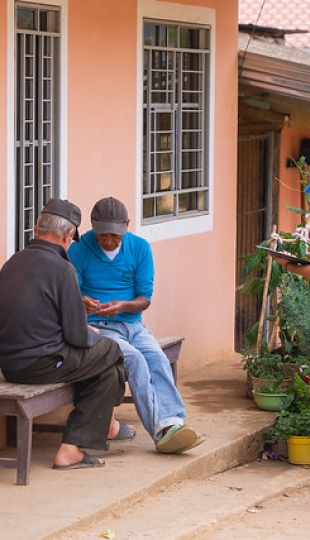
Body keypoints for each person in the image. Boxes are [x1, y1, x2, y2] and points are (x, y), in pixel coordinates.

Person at [68, 196, 205, 454]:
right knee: (135, 361)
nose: (108, 241)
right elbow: (70, 293)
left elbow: (144, 299)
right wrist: (81, 301)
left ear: (127, 226)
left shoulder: (140, 248)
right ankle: (162, 432)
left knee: (157, 358)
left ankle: (174, 423)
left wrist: (122, 306)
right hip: (98, 327)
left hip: (134, 325)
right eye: (102, 236)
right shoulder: (79, 249)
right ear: (92, 227)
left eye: (114, 236)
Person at [0, 198, 126, 470]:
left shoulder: (12, 263)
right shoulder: (62, 269)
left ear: (36, 229)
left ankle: (82, 443)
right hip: (41, 364)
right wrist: (92, 334)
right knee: (111, 351)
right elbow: (77, 337)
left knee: (105, 370)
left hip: (10, 365)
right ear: (69, 235)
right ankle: (93, 432)